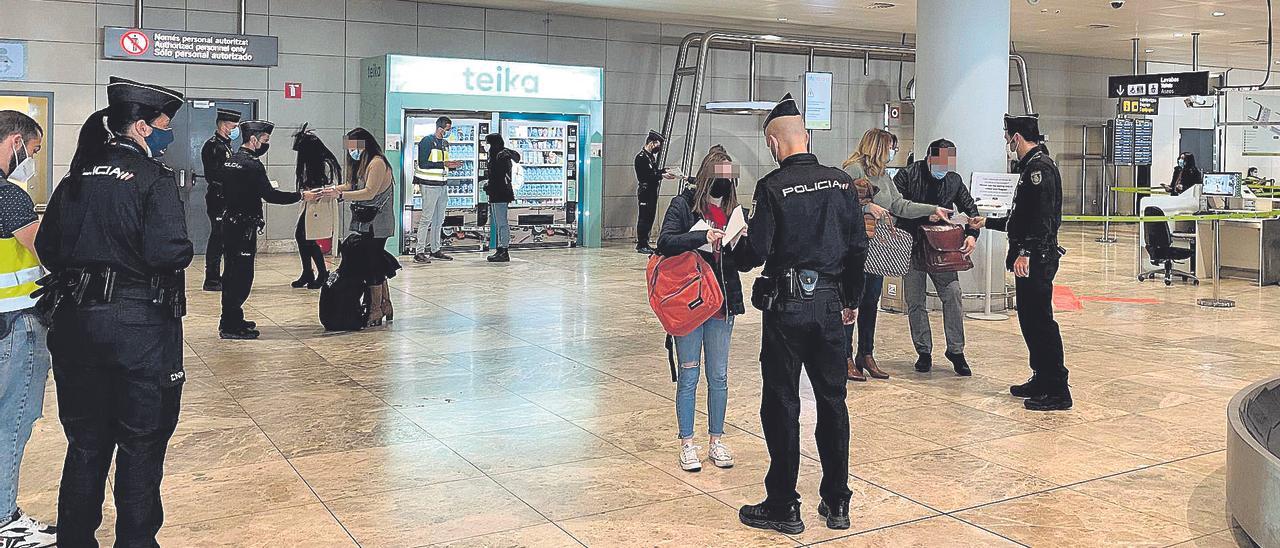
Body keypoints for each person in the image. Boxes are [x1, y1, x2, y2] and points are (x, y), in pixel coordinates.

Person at [34, 76, 191, 548]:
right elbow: (169, 251)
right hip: (138, 328)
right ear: (141, 128)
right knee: (141, 445)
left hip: (75, 325)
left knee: (86, 444)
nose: (167, 135)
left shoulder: (75, 176)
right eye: (163, 126)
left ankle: (76, 541)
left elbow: (47, 246)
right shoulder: (153, 179)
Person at [735, 94, 867, 534]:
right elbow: (857, 249)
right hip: (831, 308)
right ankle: (837, 504)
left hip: (787, 309)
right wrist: (850, 301)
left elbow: (755, 251)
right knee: (833, 403)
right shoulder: (842, 183)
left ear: (775, 144)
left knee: (782, 404)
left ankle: (784, 506)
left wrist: (731, 247)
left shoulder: (772, 187)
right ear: (806, 137)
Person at [970, 114, 1071, 412]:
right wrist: (988, 221)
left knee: (1041, 322)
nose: (1006, 143)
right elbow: (1022, 217)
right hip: (1033, 254)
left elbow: (1040, 219)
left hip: (1037, 257)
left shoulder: (1039, 170)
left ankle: (1057, 389)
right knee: (1029, 320)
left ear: (1016, 137)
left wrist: (1025, 252)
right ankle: (1041, 378)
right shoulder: (1031, 167)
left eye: (1007, 137)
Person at [655, 146, 745, 473]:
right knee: (689, 374)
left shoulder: (735, 210)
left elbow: (744, 262)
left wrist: (740, 240)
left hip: (722, 304)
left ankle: (716, 439)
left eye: (728, 177)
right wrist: (702, 236)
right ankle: (687, 442)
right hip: (690, 303)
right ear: (708, 174)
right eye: (718, 176)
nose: (723, 184)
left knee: (718, 375)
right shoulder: (684, 205)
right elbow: (665, 242)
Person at [840, 129, 944, 381]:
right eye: (890, 147)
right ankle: (844, 356)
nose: (892, 151)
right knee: (851, 303)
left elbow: (899, 205)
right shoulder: (853, 170)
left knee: (870, 302)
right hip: (856, 249)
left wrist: (932, 209)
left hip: (878, 250)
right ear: (878, 146)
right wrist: (866, 206)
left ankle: (866, 354)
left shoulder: (883, 174)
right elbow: (841, 203)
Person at [0, 111, 55, 547]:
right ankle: (4, 521)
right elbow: (48, 251)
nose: (30, 159)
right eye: (32, 150)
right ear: (16, 141)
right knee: (12, 422)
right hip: (16, 326)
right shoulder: (10, 197)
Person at [219, 119, 319, 339]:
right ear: (253, 139)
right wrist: (302, 196)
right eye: (264, 140)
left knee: (231, 273)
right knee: (242, 277)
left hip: (230, 224)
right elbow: (271, 196)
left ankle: (231, 318)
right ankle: (230, 326)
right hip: (244, 226)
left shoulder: (230, 161)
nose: (266, 144)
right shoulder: (252, 164)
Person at [893, 139, 979, 376]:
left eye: (948, 163)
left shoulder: (953, 180)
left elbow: (971, 210)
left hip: (941, 248)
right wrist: (923, 216)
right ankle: (923, 351)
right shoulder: (907, 175)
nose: (944, 167)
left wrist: (972, 234)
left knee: (952, 294)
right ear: (929, 158)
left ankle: (956, 350)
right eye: (940, 162)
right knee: (915, 299)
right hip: (910, 245)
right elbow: (895, 208)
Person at [327, 128, 401, 327]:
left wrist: (340, 196)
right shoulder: (361, 163)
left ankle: (376, 308)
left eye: (354, 146)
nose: (351, 151)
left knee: (372, 264)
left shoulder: (377, 162)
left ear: (364, 144)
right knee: (374, 261)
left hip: (378, 223)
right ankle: (385, 304)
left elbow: (369, 192)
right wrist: (330, 190)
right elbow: (351, 185)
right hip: (365, 222)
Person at [290, 124, 339, 289]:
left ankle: (321, 272)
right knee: (302, 237)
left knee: (307, 238)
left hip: (320, 205)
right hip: (310, 204)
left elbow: (329, 186)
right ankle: (308, 272)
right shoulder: (315, 163)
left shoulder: (324, 164)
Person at [199, 108, 239, 292]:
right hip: (218, 198)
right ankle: (212, 279)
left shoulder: (226, 145)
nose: (236, 129)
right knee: (217, 238)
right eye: (234, 125)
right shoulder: (214, 146)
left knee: (224, 238)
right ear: (224, 125)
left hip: (226, 197)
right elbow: (214, 175)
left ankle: (221, 276)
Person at [412, 116, 461, 264]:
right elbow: (423, 163)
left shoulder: (445, 143)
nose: (449, 131)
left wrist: (451, 166)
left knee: (439, 219)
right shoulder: (426, 141)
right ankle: (419, 252)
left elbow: (442, 164)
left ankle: (435, 249)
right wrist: (445, 163)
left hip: (442, 185)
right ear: (440, 128)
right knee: (426, 218)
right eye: (447, 129)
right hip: (428, 184)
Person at [478, 133, 521, 263]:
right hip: (500, 193)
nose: (485, 146)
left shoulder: (499, 155)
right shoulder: (501, 153)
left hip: (499, 193)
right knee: (499, 222)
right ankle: (500, 249)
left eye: (487, 143)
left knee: (501, 222)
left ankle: (503, 250)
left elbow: (498, 177)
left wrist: (489, 186)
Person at [635, 129, 677, 254]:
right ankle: (641, 244)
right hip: (645, 191)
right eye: (657, 145)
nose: (658, 148)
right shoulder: (641, 158)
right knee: (644, 218)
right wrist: (662, 175)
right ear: (651, 143)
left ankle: (645, 242)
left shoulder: (650, 157)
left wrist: (664, 171)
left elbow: (654, 172)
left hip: (652, 191)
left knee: (650, 217)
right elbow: (647, 176)